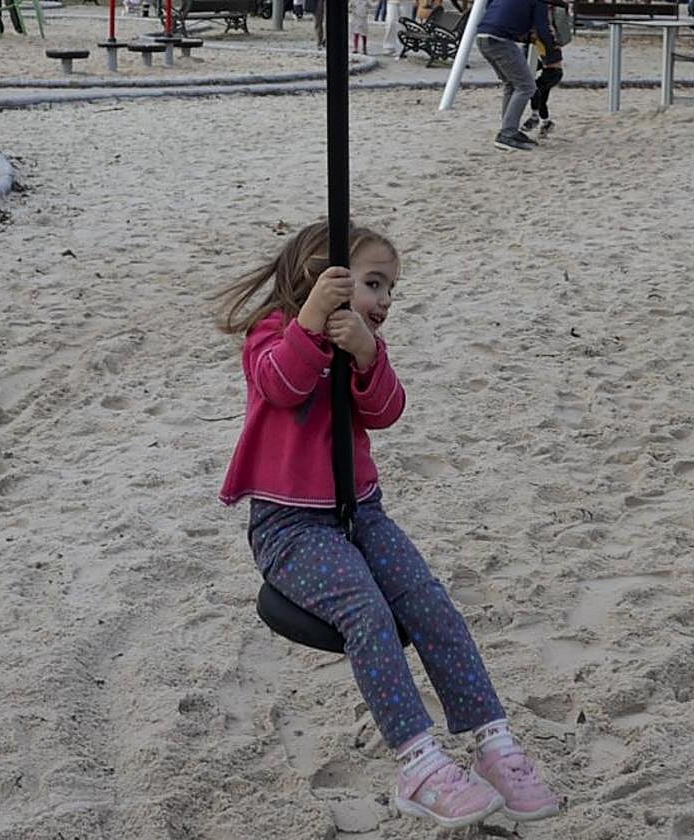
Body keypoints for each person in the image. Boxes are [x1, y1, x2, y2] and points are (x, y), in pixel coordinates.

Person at [214, 221, 561, 829]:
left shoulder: (360, 345)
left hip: (359, 512)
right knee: (367, 612)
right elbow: (283, 386)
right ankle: (418, 762)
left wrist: (368, 356)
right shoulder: (270, 336)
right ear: (322, 280)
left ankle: (493, 741)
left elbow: (386, 411)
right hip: (290, 528)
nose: (386, 301)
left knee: (428, 602)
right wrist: (313, 324)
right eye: (373, 284)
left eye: (390, 289)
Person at [477, 0, 561, 152]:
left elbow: (491, 6)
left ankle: (509, 129)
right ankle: (507, 134)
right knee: (526, 87)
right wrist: (552, 53)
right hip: (501, 40)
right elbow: (542, 29)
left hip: (483, 36)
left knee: (511, 84)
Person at [521, 15, 564, 136]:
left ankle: (535, 117)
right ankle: (546, 122)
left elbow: (549, 59)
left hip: (553, 73)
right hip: (550, 72)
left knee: (535, 90)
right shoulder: (543, 40)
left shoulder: (547, 39)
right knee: (542, 100)